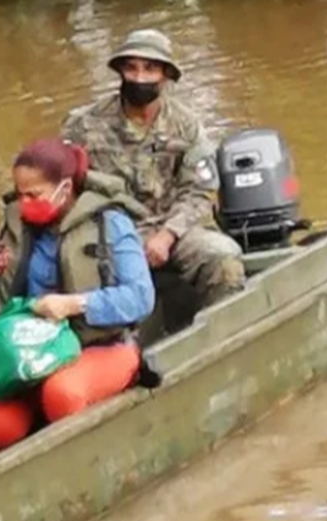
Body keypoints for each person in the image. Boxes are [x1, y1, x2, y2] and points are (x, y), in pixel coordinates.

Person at [0, 139, 155, 454]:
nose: (25, 202)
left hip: (101, 346)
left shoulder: (111, 222)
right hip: (35, 352)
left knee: (62, 393)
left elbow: (141, 297)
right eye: (20, 194)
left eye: (34, 195)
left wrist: (75, 303)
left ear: (64, 188)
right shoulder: (17, 226)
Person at [60, 29, 244, 319]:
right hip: (110, 234)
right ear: (120, 71)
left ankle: (219, 340)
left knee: (223, 258)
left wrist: (167, 235)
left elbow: (200, 190)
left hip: (175, 228)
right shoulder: (83, 125)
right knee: (79, 276)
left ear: (166, 75)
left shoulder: (186, 125)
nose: (140, 77)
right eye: (131, 67)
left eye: (150, 68)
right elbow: (62, 187)